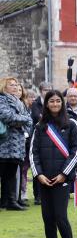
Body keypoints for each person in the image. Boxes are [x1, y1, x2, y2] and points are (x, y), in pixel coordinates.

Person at [29, 90, 77, 238]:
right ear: (46, 104)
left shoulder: (72, 123)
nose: (55, 104)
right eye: (51, 101)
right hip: (44, 179)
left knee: (60, 216)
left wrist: (64, 173)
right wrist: (39, 174)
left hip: (62, 179)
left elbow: (76, 151)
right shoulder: (39, 126)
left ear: (62, 103)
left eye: (58, 101)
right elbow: (33, 153)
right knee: (47, 216)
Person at [0, 77, 33, 211]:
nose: (15, 87)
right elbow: (8, 117)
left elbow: (29, 121)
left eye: (16, 85)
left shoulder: (19, 102)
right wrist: (23, 120)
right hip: (4, 143)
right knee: (4, 173)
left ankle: (10, 201)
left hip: (17, 144)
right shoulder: (2, 99)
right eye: (11, 85)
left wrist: (21, 121)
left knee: (11, 173)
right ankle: (7, 201)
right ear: (4, 87)